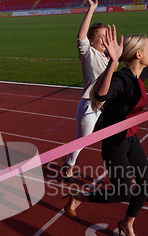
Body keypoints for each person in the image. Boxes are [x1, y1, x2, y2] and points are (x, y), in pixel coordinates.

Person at [63, 12, 148, 236]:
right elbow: (101, 94)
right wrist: (112, 63)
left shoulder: (139, 73)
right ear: (139, 54)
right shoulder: (122, 78)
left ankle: (128, 223)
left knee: (144, 184)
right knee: (121, 192)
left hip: (131, 139)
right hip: (115, 143)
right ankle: (79, 196)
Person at [61, 0, 108, 183]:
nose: (105, 40)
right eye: (101, 37)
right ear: (91, 40)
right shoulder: (88, 53)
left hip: (105, 106)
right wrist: (91, 9)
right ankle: (69, 165)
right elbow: (81, 37)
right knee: (82, 140)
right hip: (89, 107)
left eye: (106, 36)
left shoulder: (108, 56)